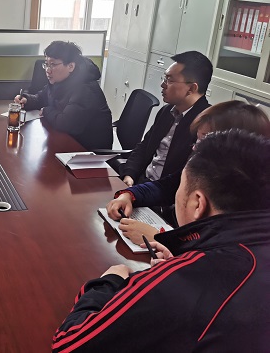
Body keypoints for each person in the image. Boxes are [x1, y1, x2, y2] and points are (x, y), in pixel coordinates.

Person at [53, 130, 270, 352]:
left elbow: (68, 345)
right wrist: (182, 259)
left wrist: (110, 282)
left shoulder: (186, 283)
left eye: (180, 187)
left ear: (197, 204)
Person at [106, 100, 270, 244]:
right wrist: (128, 195)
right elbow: (166, 186)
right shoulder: (206, 170)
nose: (194, 148)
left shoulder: (245, 202)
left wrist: (160, 238)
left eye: (204, 139)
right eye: (197, 140)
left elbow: (216, 250)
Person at [120, 51, 212, 187]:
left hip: (163, 194)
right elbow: (144, 147)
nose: (163, 85)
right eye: (165, 78)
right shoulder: (166, 111)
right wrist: (129, 174)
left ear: (192, 88)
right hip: (141, 183)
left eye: (170, 80)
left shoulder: (206, 125)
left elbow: (187, 179)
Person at [14, 41, 112, 150]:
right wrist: (26, 100)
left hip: (88, 152)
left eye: (53, 64)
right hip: (68, 142)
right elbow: (41, 98)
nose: (48, 70)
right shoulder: (60, 81)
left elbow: (66, 123)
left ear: (70, 66)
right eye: (46, 64)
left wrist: (46, 110)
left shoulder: (85, 89)